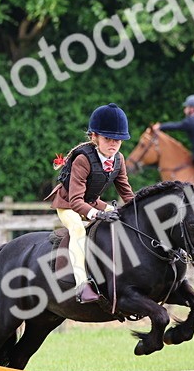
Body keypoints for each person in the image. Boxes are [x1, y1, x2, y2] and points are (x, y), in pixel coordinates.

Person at [45, 103, 136, 304]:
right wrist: (97, 214)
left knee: (121, 217)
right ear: (94, 137)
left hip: (93, 202)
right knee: (78, 230)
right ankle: (81, 286)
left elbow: (127, 193)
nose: (113, 144)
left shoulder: (118, 159)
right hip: (68, 204)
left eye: (118, 140)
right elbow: (76, 201)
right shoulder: (83, 160)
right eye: (108, 139)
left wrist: (138, 211)